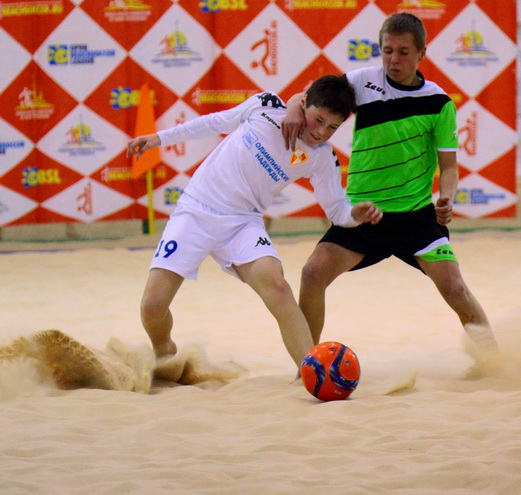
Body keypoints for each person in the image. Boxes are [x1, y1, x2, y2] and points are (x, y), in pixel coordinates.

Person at [126, 75, 383, 370]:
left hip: (242, 224)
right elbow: (214, 122)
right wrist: (159, 138)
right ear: (304, 103)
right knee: (152, 307)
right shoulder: (265, 106)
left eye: (333, 128)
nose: (321, 132)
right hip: (195, 211)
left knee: (278, 287)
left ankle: (311, 372)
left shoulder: (322, 157)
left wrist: (354, 215)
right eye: (319, 120)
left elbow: (337, 210)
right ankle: (164, 352)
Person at [281, 13, 499, 356]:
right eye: (387, 51)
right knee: (312, 273)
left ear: (421, 54)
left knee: (456, 289)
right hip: (364, 214)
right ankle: (307, 366)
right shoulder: (360, 82)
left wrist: (446, 197)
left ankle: (495, 361)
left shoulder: (439, 103)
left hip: (416, 217)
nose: (393, 60)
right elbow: (310, 96)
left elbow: (449, 168)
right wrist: (294, 108)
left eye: (403, 52)